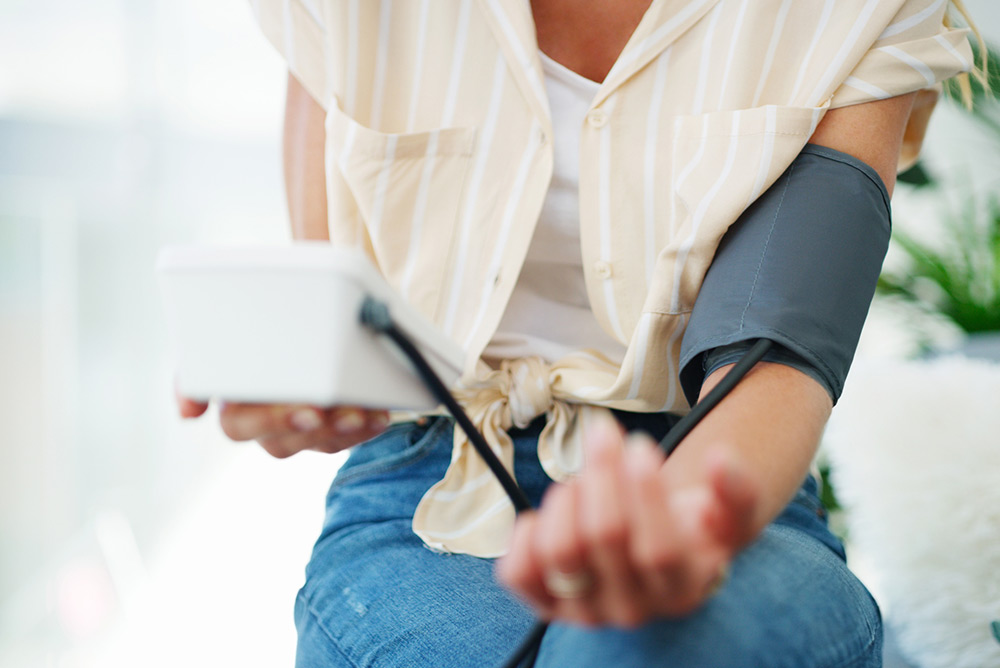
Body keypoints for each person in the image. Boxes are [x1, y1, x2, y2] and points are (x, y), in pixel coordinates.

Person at [178, 1, 975, 665]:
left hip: (724, 472)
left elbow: (774, 354)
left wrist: (679, 518)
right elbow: (340, 323)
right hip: (428, 493)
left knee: (629, 648)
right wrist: (303, 387)